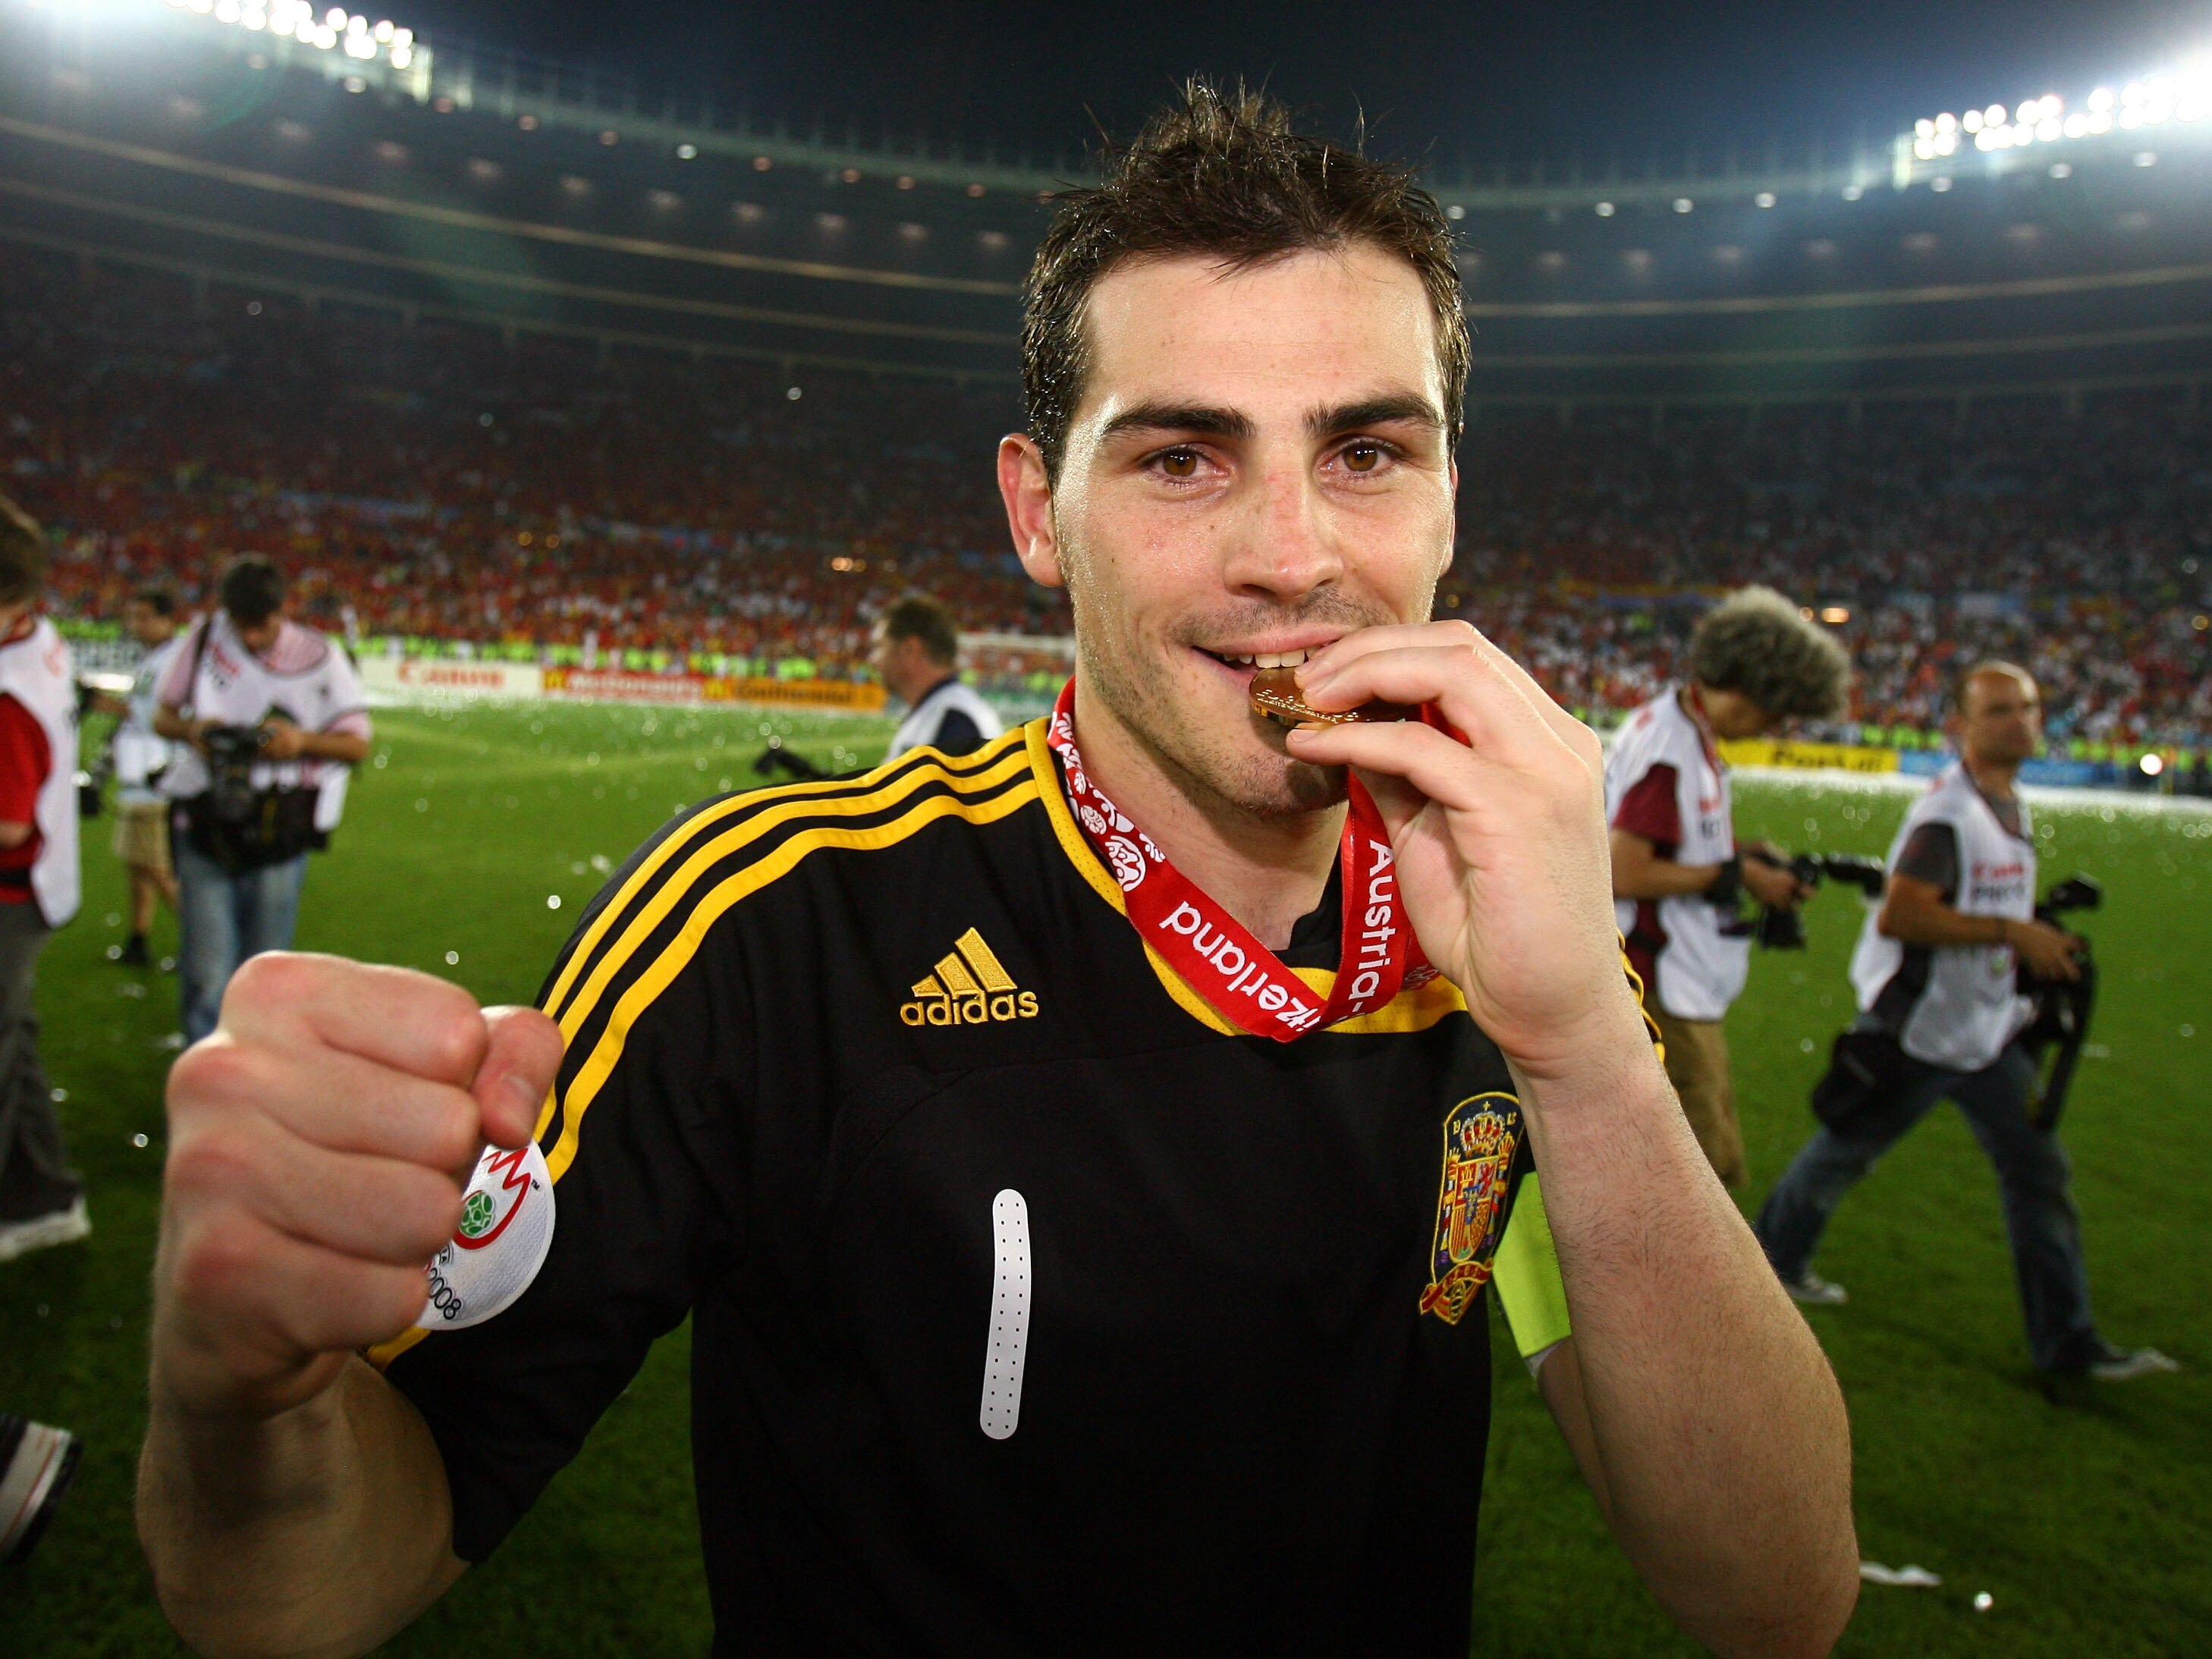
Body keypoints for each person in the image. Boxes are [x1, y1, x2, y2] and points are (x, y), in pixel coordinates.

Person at [138, 86, 1858, 1657]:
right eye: (1181, 454)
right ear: (1037, 515)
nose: (1292, 555)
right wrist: (245, 1399)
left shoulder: (1510, 933)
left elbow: (1772, 1594)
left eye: (1366, 451)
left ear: (1447, 496)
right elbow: (295, 1591)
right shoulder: (776, 921)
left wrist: (1578, 1046)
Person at [1756, 661, 2176, 1380]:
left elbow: (1978, 903)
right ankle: (1768, 1271)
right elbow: (1903, 911)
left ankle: (2068, 1343)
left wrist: (2036, 934)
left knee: (2037, 1170)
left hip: (1983, 1029)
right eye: (2001, 710)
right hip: (1921, 1030)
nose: (2021, 720)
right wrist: (2014, 936)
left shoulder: (2004, 801)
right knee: (1843, 1150)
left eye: (2030, 706)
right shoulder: (1947, 814)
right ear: (1963, 724)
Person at [1604, 587, 1849, 1186]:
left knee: (1702, 1157)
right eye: (1776, 707)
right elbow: (1624, 869)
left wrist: (1742, 857)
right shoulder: (1672, 751)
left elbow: (1665, 847)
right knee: (1693, 1171)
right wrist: (1738, 876)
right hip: (1660, 979)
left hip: (1677, 976)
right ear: (1748, 681)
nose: (1776, 723)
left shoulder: (1683, 730)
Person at [152, 557, 371, 1045]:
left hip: (279, 827)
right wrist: (194, 729)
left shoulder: (321, 655)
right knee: (207, 970)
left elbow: (357, 743)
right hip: (206, 820)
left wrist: (300, 742)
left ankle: (256, 1082)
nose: (250, 638)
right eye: (241, 625)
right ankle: (206, 1084)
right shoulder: (206, 639)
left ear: (283, 609)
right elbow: (162, 718)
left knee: (265, 974)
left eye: (262, 625)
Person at [0, 496, 86, 1265]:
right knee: (13, 1040)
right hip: (40, 883)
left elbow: (8, 826)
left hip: (13, 891)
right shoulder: (41, 641)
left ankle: (29, 1198)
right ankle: (47, 1195)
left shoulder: (7, 695)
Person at [99, 586, 185, 969]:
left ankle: (201, 940)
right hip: (141, 773)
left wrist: (104, 705)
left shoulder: (171, 662)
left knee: (154, 864)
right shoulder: (154, 659)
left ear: (169, 621)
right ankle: (138, 939)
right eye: (133, 616)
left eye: (145, 617)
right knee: (138, 863)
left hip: (157, 775)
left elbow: (158, 719)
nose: (136, 625)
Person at [869, 592, 1004, 760]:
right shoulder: (945, 711)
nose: (872, 660)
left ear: (910, 649)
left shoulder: (953, 720)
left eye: (879, 647)